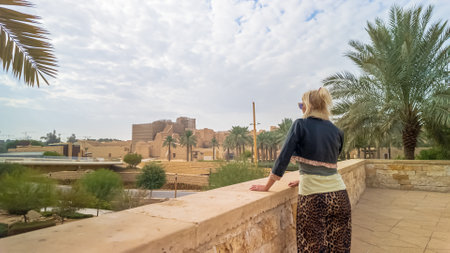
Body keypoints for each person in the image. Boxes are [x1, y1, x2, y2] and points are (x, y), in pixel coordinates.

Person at [250, 87, 351, 252]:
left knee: (311, 247)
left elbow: (283, 158)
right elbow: (329, 164)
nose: (301, 108)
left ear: (308, 106)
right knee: (339, 248)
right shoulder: (337, 131)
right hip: (340, 196)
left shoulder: (300, 125)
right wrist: (304, 177)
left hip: (313, 197)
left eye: (301, 105)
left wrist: (267, 186)